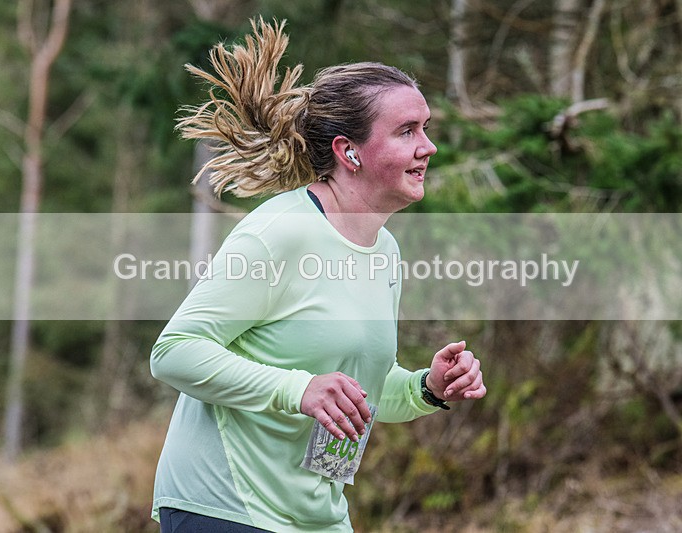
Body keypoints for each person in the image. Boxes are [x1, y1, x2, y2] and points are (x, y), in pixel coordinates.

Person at [150, 18, 487, 533]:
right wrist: (299, 389)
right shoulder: (279, 233)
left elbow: (358, 390)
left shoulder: (385, 250)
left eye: (425, 129)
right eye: (406, 131)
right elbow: (174, 352)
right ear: (348, 151)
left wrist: (427, 387)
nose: (428, 147)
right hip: (226, 505)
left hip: (315, 516)